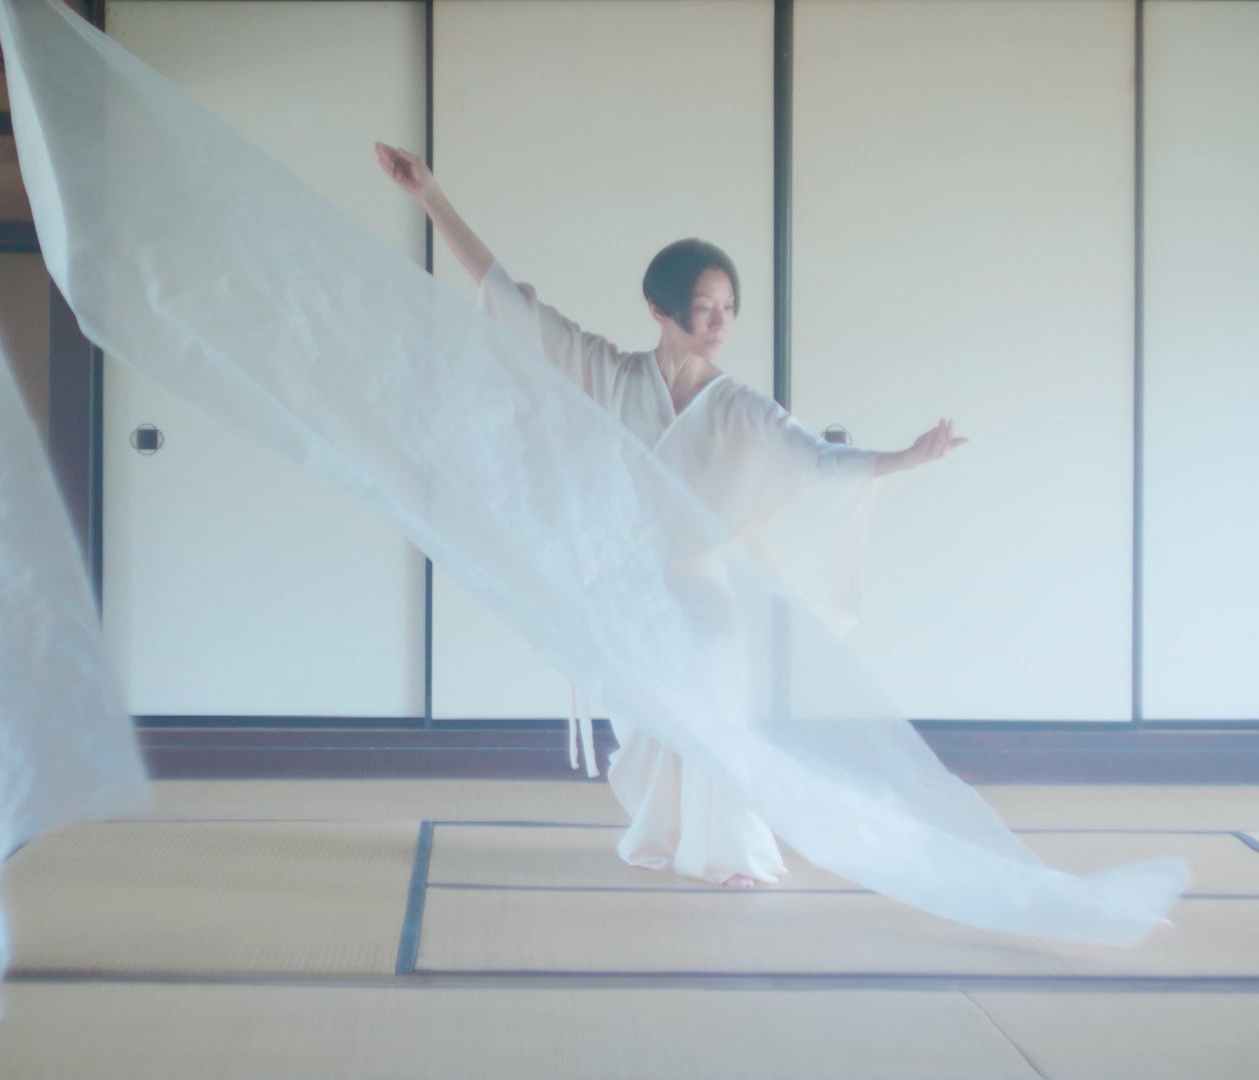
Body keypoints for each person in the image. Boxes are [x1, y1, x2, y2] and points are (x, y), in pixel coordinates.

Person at [376, 142, 968, 888]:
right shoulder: (606, 372)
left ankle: (734, 853)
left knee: (718, 708)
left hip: (698, 591)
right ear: (659, 308)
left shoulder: (743, 408)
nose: (719, 321)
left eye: (729, 308)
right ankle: (670, 835)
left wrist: (902, 459)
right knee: (657, 729)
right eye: (704, 307)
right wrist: (431, 197)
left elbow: (816, 459)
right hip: (626, 595)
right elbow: (512, 303)